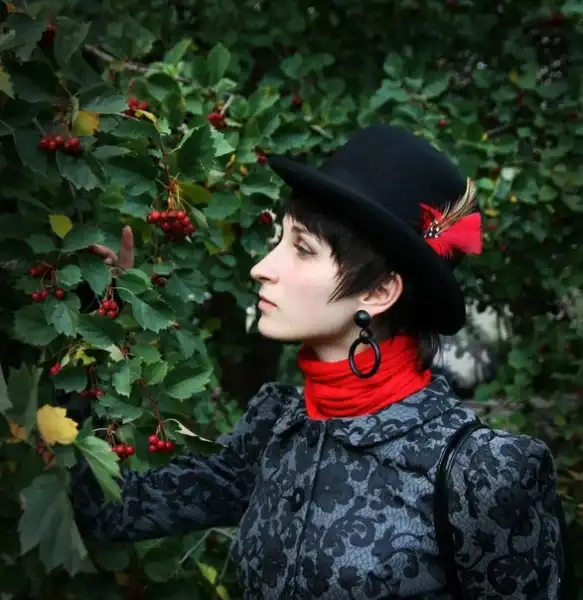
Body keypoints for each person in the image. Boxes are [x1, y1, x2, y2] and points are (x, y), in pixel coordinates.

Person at [71, 124, 565, 599]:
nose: (261, 267)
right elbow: (110, 512)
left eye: (303, 248)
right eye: (280, 241)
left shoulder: (482, 471)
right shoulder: (276, 426)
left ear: (379, 290)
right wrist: (94, 312)